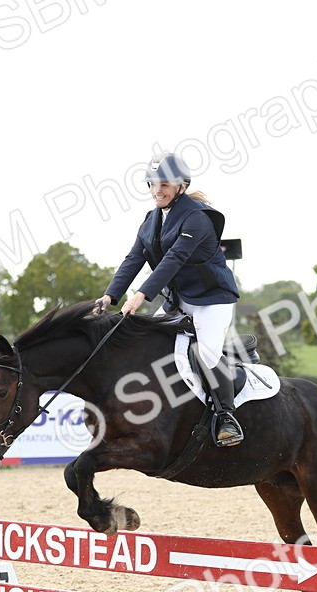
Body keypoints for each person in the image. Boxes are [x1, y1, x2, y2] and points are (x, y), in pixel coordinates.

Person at [93, 152, 243, 446]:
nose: (157, 190)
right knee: (144, 344)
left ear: (181, 186)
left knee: (206, 355)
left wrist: (140, 296)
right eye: (153, 184)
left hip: (212, 299)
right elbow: (134, 258)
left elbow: (173, 260)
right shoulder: (151, 220)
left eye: (164, 185)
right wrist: (110, 296)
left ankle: (227, 416)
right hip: (179, 300)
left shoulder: (198, 218)